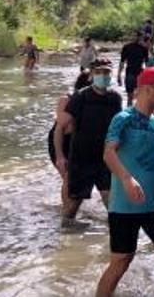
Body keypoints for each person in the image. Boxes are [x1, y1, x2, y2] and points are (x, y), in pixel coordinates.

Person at [97, 67, 154, 297]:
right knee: (121, 261)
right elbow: (108, 153)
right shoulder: (123, 119)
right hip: (125, 205)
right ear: (147, 89)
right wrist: (127, 179)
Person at [54, 59, 123, 220]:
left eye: (106, 72)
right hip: (81, 160)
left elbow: (119, 128)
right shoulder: (81, 97)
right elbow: (60, 128)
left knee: (113, 208)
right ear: (91, 74)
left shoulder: (115, 99)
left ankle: (118, 241)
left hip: (105, 159)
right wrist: (59, 156)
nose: (103, 76)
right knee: (71, 210)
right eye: (99, 72)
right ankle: (65, 239)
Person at [48, 70, 92, 209]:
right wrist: (60, 156)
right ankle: (66, 213)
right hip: (62, 141)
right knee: (69, 177)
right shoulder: (67, 100)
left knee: (75, 180)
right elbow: (61, 128)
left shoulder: (100, 102)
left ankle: (70, 208)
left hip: (80, 141)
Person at [117, 33, 149, 106]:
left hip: (140, 73)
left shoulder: (144, 48)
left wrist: (148, 77)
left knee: (140, 96)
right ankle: (129, 114)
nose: (136, 38)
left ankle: (138, 114)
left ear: (140, 38)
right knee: (130, 96)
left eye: (137, 36)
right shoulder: (126, 47)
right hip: (130, 73)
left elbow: (147, 64)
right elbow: (122, 62)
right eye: (134, 36)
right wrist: (119, 75)